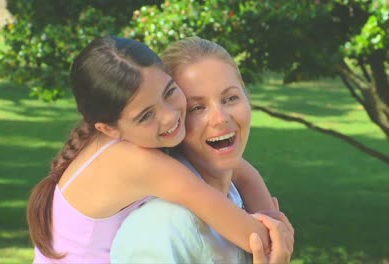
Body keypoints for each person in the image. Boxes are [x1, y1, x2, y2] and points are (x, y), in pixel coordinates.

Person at [27, 36, 276, 263]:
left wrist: (269, 215)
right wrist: (276, 232)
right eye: (146, 115)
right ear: (109, 129)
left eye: (169, 92)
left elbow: (245, 173)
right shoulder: (137, 161)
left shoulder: (128, 138)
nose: (169, 117)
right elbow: (250, 235)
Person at [111, 37, 294, 263]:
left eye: (230, 98)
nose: (220, 119)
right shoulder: (162, 228)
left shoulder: (240, 203)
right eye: (197, 107)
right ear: (173, 119)